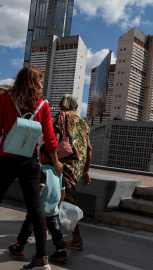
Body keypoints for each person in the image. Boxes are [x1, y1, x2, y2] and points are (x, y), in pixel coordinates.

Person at [0, 65, 62, 270]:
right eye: (40, 81)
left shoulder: (4, 99)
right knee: (35, 206)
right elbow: (50, 139)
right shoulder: (43, 105)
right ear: (34, 83)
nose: (42, 85)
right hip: (30, 161)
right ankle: (42, 258)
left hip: (7, 160)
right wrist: (56, 161)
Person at [9, 144, 68, 263]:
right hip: (52, 209)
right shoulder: (59, 172)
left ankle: (19, 246)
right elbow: (63, 191)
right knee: (56, 230)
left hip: (39, 208)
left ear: (43, 155)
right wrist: (60, 203)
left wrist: (33, 203)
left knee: (28, 227)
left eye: (39, 155)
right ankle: (61, 251)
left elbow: (39, 189)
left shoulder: (41, 171)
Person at [53, 94, 91, 250]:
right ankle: (49, 227)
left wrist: (53, 161)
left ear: (61, 106)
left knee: (66, 201)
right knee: (62, 198)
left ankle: (76, 239)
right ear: (75, 107)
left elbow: (53, 141)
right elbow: (89, 149)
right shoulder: (82, 121)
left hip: (64, 165)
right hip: (77, 167)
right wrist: (86, 171)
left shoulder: (61, 116)